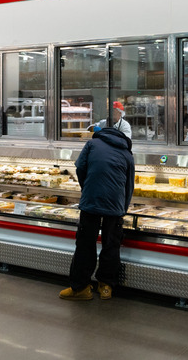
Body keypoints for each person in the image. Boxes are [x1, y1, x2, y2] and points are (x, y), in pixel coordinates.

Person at [60, 126, 135, 301]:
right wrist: (122, 209)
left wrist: (87, 188)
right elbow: (129, 185)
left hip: (91, 200)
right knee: (111, 244)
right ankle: (106, 286)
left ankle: (81, 288)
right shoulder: (127, 153)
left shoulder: (92, 144)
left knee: (85, 243)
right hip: (115, 204)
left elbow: (80, 168)